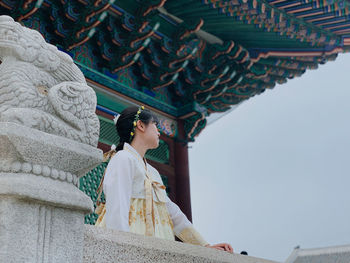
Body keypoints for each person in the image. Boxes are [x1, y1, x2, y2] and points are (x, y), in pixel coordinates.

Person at [95, 106, 233, 253]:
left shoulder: (153, 172)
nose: (158, 131)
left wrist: (204, 245)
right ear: (141, 125)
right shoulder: (123, 159)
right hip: (130, 243)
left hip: (156, 244)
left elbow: (174, 213)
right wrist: (122, 249)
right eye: (155, 124)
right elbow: (117, 207)